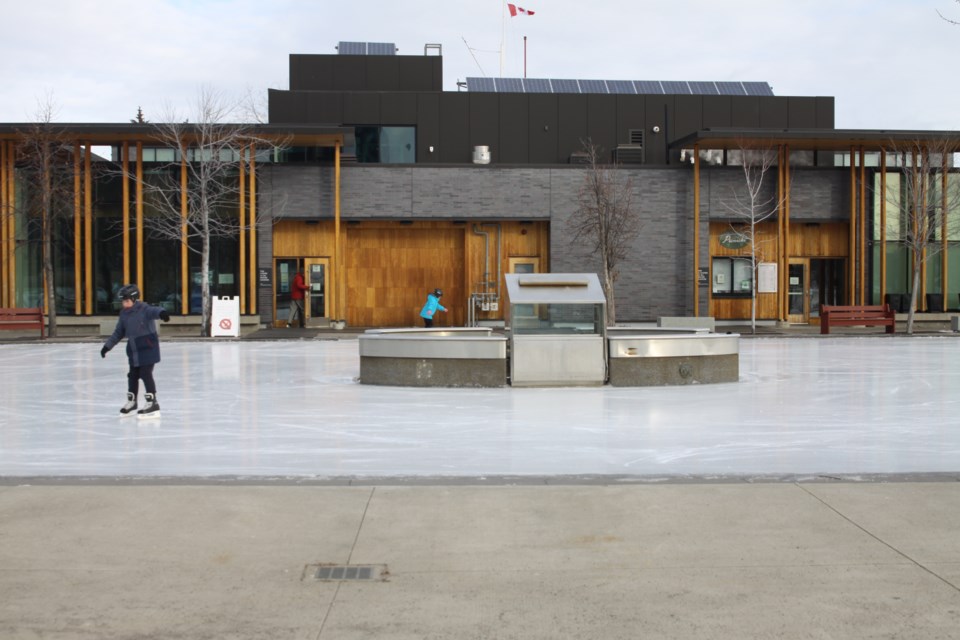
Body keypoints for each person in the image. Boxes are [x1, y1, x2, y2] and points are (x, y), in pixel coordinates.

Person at [100, 284, 171, 419]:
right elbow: (118, 332)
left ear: (134, 299)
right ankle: (132, 402)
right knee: (132, 375)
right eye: (123, 302)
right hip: (133, 350)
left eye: (127, 301)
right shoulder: (124, 314)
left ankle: (152, 403)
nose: (125, 304)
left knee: (145, 373)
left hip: (148, 348)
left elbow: (154, 311)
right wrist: (107, 346)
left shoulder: (144, 309)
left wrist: (162, 313)